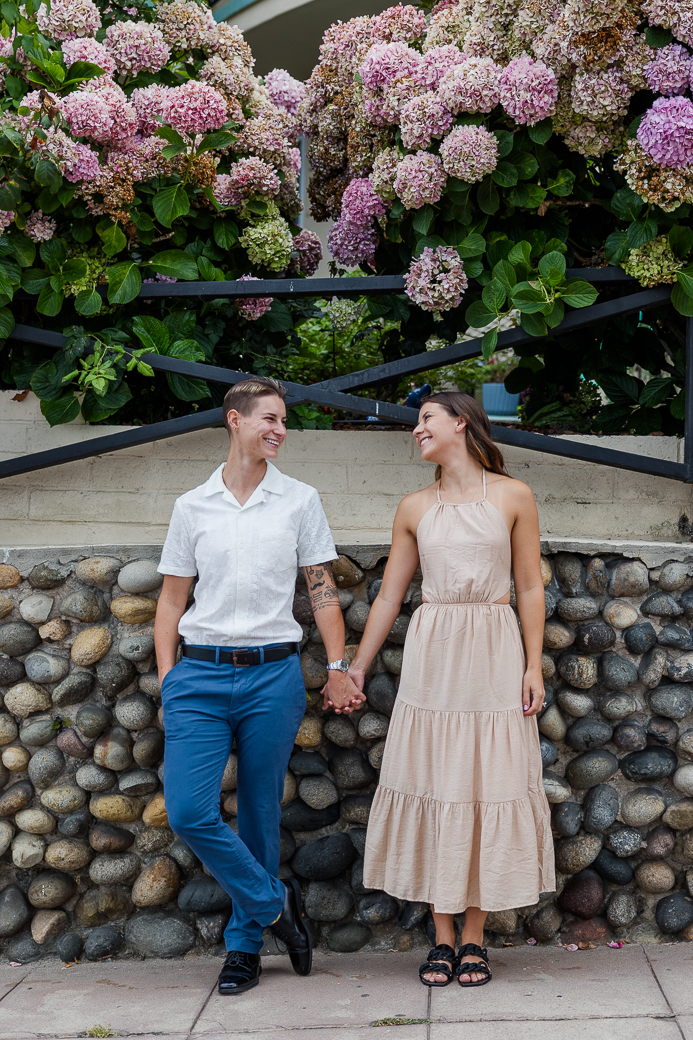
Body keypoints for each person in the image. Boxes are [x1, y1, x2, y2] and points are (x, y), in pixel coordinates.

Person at [154, 375, 363, 996]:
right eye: (268, 419)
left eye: (283, 422)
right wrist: (169, 677)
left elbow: (321, 591)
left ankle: (244, 946)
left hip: (273, 675)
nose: (279, 430)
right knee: (190, 810)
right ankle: (276, 906)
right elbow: (170, 601)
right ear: (234, 421)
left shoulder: (299, 500)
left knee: (259, 817)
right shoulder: (193, 506)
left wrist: (337, 665)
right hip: (199, 674)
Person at [348, 391, 555, 989]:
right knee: (438, 779)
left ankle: (474, 938)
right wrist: (357, 666)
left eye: (426, 419)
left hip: (493, 647)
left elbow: (529, 588)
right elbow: (389, 595)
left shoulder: (514, 496)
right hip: (434, 652)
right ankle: (442, 938)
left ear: (460, 423)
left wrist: (533, 667)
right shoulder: (414, 506)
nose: (417, 430)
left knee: (487, 779)